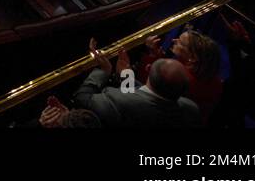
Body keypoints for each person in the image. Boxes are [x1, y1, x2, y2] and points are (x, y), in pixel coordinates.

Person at [73, 48, 202, 128]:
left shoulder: (114, 101)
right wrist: (126, 75)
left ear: (148, 68)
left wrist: (104, 71)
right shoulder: (191, 109)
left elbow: (82, 97)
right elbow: (141, 98)